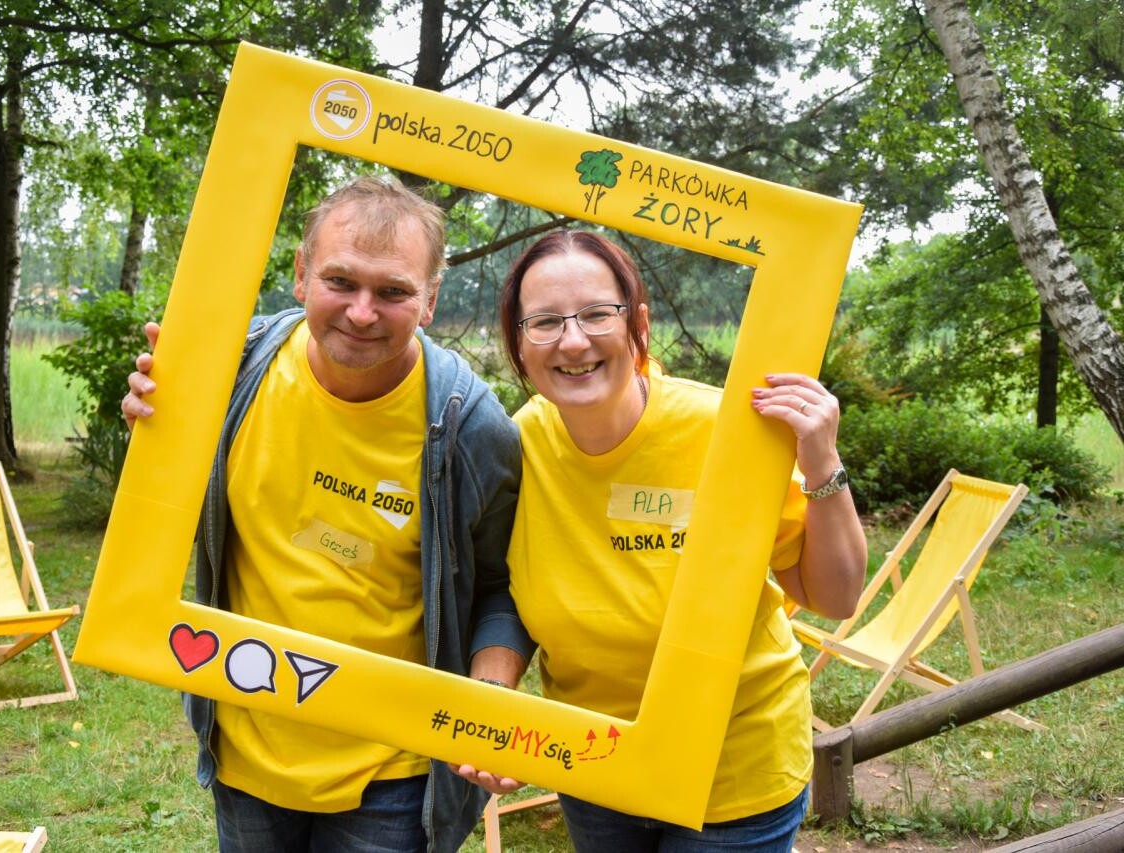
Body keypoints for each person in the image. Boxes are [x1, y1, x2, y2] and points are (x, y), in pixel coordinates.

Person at [122, 175, 532, 853]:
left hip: (393, 769)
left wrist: (489, 698)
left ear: (430, 300)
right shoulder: (227, 366)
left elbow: (502, 584)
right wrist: (153, 422)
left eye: (394, 291)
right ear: (301, 273)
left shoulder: (470, 426)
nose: (363, 312)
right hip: (245, 743)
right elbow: (159, 509)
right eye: (341, 281)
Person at [451, 230, 867, 851]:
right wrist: (496, 695)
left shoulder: (724, 431)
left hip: (732, 770)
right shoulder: (515, 446)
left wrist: (822, 462)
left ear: (637, 323)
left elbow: (832, 596)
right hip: (595, 763)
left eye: (596, 313)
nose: (572, 340)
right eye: (544, 322)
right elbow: (506, 589)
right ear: (518, 340)